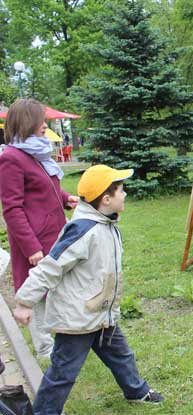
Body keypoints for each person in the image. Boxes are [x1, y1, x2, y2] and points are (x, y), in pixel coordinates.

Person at [13, 165, 164, 413]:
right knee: (63, 372)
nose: (125, 194)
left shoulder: (106, 225)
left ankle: (136, 391)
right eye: (120, 190)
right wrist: (25, 302)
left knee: (121, 355)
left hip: (100, 312)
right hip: (77, 319)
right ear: (106, 199)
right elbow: (50, 267)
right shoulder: (83, 231)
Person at [0, 98, 79, 358]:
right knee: (37, 290)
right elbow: (12, 208)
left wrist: (65, 198)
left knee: (55, 285)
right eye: (40, 121)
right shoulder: (11, 158)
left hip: (53, 233)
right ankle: (45, 349)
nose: (45, 125)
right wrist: (31, 247)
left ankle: (64, 338)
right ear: (26, 122)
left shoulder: (36, 153)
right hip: (34, 240)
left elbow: (44, 188)